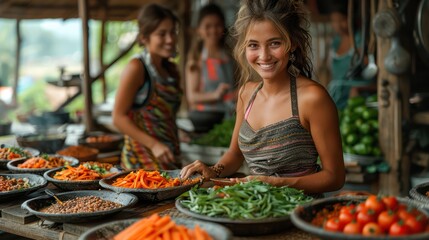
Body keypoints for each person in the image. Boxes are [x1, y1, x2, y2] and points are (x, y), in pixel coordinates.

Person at [181, 0, 345, 195]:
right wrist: (213, 170)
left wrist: (275, 183)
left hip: (300, 212)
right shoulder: (246, 93)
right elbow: (235, 154)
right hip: (255, 209)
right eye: (253, 45)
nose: (264, 56)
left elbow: (335, 177)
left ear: (291, 43)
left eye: (274, 43)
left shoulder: (312, 98)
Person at [112, 4, 182, 170]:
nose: (170, 39)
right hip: (140, 164)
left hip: (168, 158)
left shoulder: (170, 69)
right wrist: (154, 144)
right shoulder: (137, 68)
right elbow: (118, 118)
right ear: (144, 37)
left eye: (173, 32)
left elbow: (164, 116)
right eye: (161, 34)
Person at [185, 3, 237, 133]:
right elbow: (192, 97)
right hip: (205, 119)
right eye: (208, 26)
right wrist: (216, 95)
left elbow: (236, 87)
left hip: (229, 117)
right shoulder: (195, 60)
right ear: (199, 30)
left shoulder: (231, 57)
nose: (213, 30)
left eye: (217, 25)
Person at [325, 0, 375, 110]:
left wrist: (358, 89)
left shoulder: (362, 41)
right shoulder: (334, 43)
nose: (338, 25)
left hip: (357, 103)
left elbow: (374, 76)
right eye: (334, 21)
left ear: (352, 18)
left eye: (342, 20)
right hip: (336, 100)